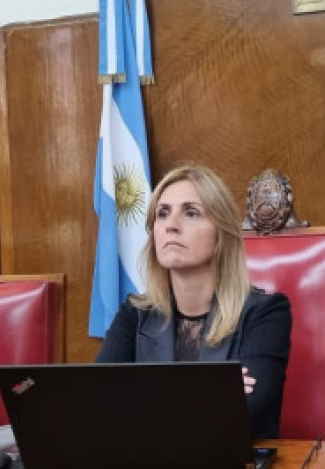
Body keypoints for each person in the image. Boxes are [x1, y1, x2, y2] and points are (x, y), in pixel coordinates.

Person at [96, 164, 292, 439]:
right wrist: (214, 390)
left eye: (191, 213)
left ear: (221, 233)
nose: (171, 225)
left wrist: (140, 394)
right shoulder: (134, 314)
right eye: (162, 213)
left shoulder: (266, 314)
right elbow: (97, 404)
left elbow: (248, 410)